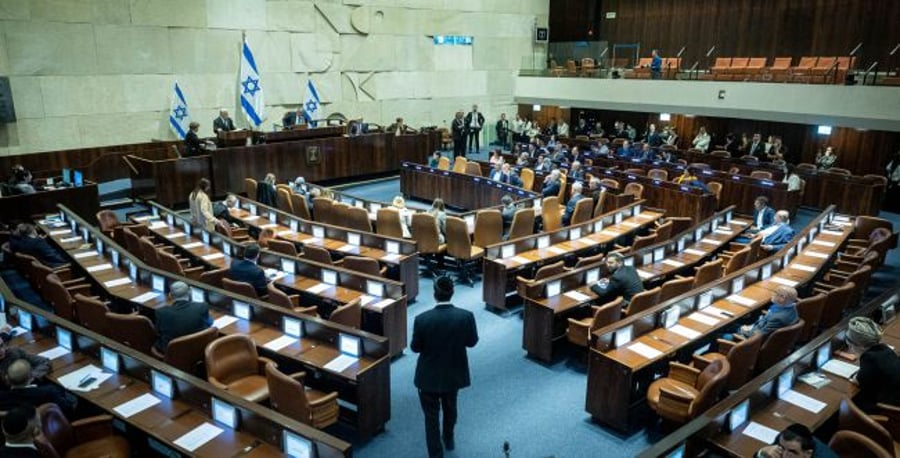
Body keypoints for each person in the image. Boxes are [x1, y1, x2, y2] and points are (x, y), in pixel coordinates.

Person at [411, 276, 478, 458]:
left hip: (428, 377)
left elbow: (415, 348)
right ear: (453, 293)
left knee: (431, 418)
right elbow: (472, 342)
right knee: (450, 409)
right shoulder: (466, 316)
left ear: (434, 294)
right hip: (453, 374)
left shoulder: (421, 320)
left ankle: (435, 454)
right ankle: (448, 438)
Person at [845, 317, 900, 413]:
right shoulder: (885, 349)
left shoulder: (869, 358)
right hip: (895, 398)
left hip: (888, 410)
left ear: (860, 346)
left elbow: (858, 381)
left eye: (850, 344)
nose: (850, 348)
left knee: (848, 404)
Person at [0, 359, 76, 415]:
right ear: (31, 376)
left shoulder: (2, 397)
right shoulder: (48, 392)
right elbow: (68, 410)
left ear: (8, 379)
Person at [154, 281, 213, 353]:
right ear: (190, 292)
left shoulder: (161, 312)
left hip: (172, 353)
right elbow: (209, 323)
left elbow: (158, 332)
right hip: (198, 350)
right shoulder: (201, 307)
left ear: (170, 295)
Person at [754, 423, 837, 458]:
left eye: (792, 452)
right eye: (782, 447)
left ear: (808, 454)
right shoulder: (783, 440)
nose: (784, 455)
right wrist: (761, 453)